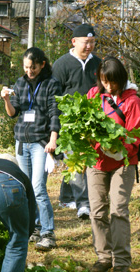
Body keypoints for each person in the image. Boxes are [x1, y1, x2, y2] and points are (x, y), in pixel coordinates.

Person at [86, 56, 140, 272]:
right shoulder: (93, 96)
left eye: (113, 81)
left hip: (123, 164)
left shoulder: (132, 102)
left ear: (121, 79)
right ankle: (104, 257)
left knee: (118, 211)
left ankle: (121, 262)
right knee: (97, 211)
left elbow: (133, 137)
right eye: (104, 81)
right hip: (96, 163)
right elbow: (83, 122)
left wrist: (117, 149)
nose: (109, 86)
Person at [0, 47, 62, 251]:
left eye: (33, 67)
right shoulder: (20, 83)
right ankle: (33, 228)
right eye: (26, 67)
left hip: (40, 143)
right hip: (21, 141)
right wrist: (7, 100)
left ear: (42, 64)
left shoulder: (51, 84)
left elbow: (55, 114)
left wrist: (53, 140)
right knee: (26, 189)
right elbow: (12, 113)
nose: (29, 71)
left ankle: (48, 232)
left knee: (38, 187)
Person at [52, 23, 101, 220]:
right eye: (85, 42)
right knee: (77, 160)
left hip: (90, 120)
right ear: (74, 42)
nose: (88, 46)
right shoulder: (61, 64)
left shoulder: (98, 63)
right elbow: (54, 95)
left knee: (76, 160)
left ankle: (65, 196)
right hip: (68, 121)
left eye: (92, 42)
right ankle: (84, 204)